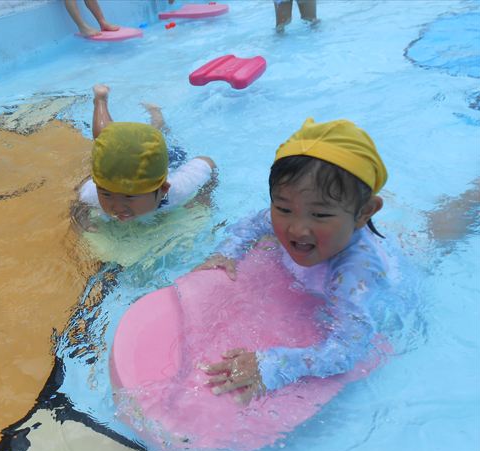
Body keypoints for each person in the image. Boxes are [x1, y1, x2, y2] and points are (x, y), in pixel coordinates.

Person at [198, 118, 388, 405]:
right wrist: (228, 252)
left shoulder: (355, 275)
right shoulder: (293, 216)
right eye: (284, 208)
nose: (297, 229)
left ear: (365, 212)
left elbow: (347, 351)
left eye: (320, 215)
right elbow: (253, 223)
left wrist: (273, 365)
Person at [71, 84, 216, 231]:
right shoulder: (93, 193)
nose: (117, 207)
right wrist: (83, 222)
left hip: (168, 160)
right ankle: (100, 100)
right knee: (104, 139)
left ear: (163, 189)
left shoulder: (178, 191)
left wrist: (203, 198)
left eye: (129, 197)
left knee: (158, 135)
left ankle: (156, 115)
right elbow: (79, 203)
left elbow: (207, 163)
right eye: (106, 194)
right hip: (120, 162)